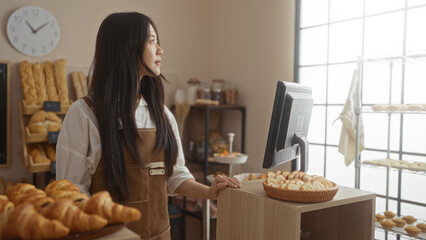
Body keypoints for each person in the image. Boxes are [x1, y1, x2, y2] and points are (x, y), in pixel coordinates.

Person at [56, 12, 241, 239]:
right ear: (126, 47)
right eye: (151, 41)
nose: (160, 49)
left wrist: (209, 192)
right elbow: (71, 193)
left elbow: (175, 176)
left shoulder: (161, 114)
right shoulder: (84, 114)